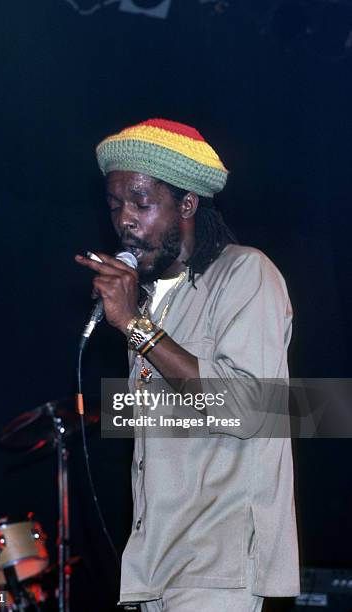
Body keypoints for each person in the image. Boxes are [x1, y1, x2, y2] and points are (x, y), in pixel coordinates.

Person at [75, 118, 299, 611]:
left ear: (187, 203)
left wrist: (135, 325)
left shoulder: (246, 273)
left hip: (218, 569)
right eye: (116, 206)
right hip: (154, 569)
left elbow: (249, 410)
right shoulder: (152, 304)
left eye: (141, 201)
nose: (125, 220)